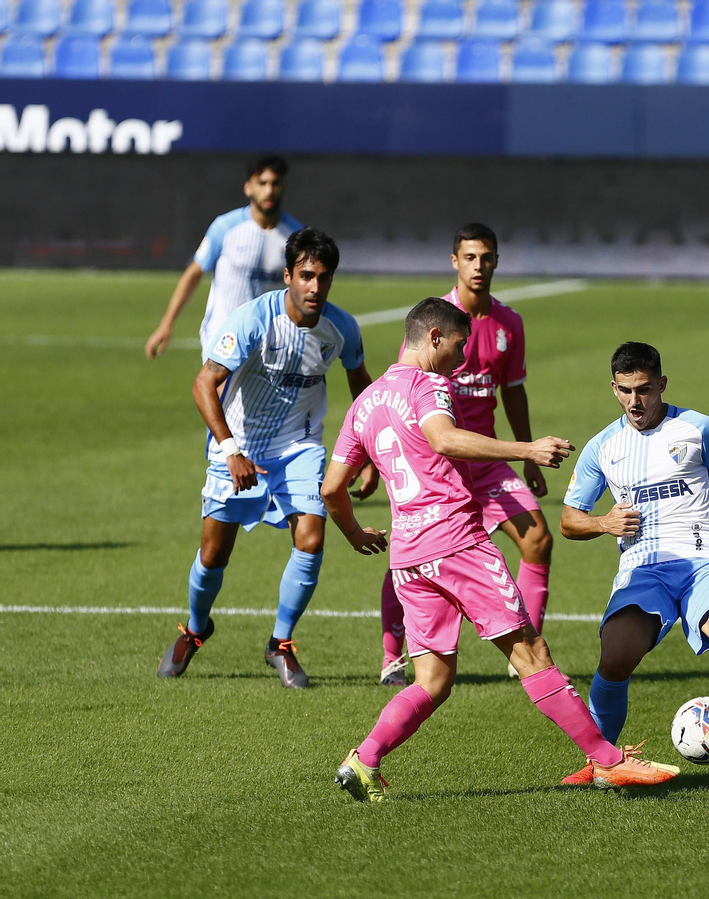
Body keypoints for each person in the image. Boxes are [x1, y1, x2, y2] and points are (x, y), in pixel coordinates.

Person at [323, 299, 677, 799]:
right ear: (433, 338)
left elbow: (331, 489)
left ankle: (364, 759)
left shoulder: (364, 404)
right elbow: (443, 440)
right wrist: (526, 448)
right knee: (531, 652)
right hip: (455, 542)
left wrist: (355, 533)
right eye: (460, 345)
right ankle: (608, 760)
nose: (463, 357)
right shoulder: (428, 385)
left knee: (432, 679)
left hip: (408, 554)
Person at [558, 342, 709, 784]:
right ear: (613, 389)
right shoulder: (601, 448)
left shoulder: (699, 428)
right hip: (644, 568)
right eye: (626, 391)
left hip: (704, 556)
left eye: (645, 390)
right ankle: (600, 763)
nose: (636, 401)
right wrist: (603, 522)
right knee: (615, 658)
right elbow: (569, 521)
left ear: (662, 385)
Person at [157, 229, 377, 688]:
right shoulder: (254, 318)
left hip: (299, 447)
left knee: (312, 538)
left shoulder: (342, 328)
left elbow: (363, 387)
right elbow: (203, 384)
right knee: (214, 553)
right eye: (306, 276)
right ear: (288, 276)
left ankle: (280, 643)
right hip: (238, 446)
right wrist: (230, 449)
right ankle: (196, 630)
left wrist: (370, 453)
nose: (315, 287)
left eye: (324, 277)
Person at [376, 224, 553, 686]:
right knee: (412, 554)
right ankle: (393, 654)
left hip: (488, 460)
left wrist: (528, 454)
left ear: (496, 261)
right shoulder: (433, 325)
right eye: (470, 257)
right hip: (435, 464)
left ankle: (521, 652)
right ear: (454, 261)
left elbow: (513, 392)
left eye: (486, 257)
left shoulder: (508, 323)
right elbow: (394, 395)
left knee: (538, 539)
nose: (479, 266)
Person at [146, 155, 303, 360]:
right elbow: (194, 273)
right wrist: (166, 323)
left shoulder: (297, 235)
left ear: (283, 187)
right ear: (248, 188)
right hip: (222, 339)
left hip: (271, 345)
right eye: (262, 183)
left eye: (275, 183)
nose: (269, 190)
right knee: (214, 392)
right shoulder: (225, 227)